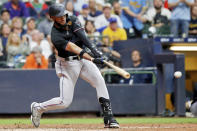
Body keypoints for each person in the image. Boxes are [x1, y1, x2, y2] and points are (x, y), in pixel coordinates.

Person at [30, 3, 119, 128]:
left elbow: (83, 38)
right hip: (67, 64)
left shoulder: (73, 19)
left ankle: (109, 116)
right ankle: (38, 108)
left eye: (63, 14)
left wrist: (96, 51)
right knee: (64, 102)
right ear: (52, 18)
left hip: (83, 60)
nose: (62, 17)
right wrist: (93, 58)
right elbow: (75, 49)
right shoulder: (55, 36)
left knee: (99, 80)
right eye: (59, 16)